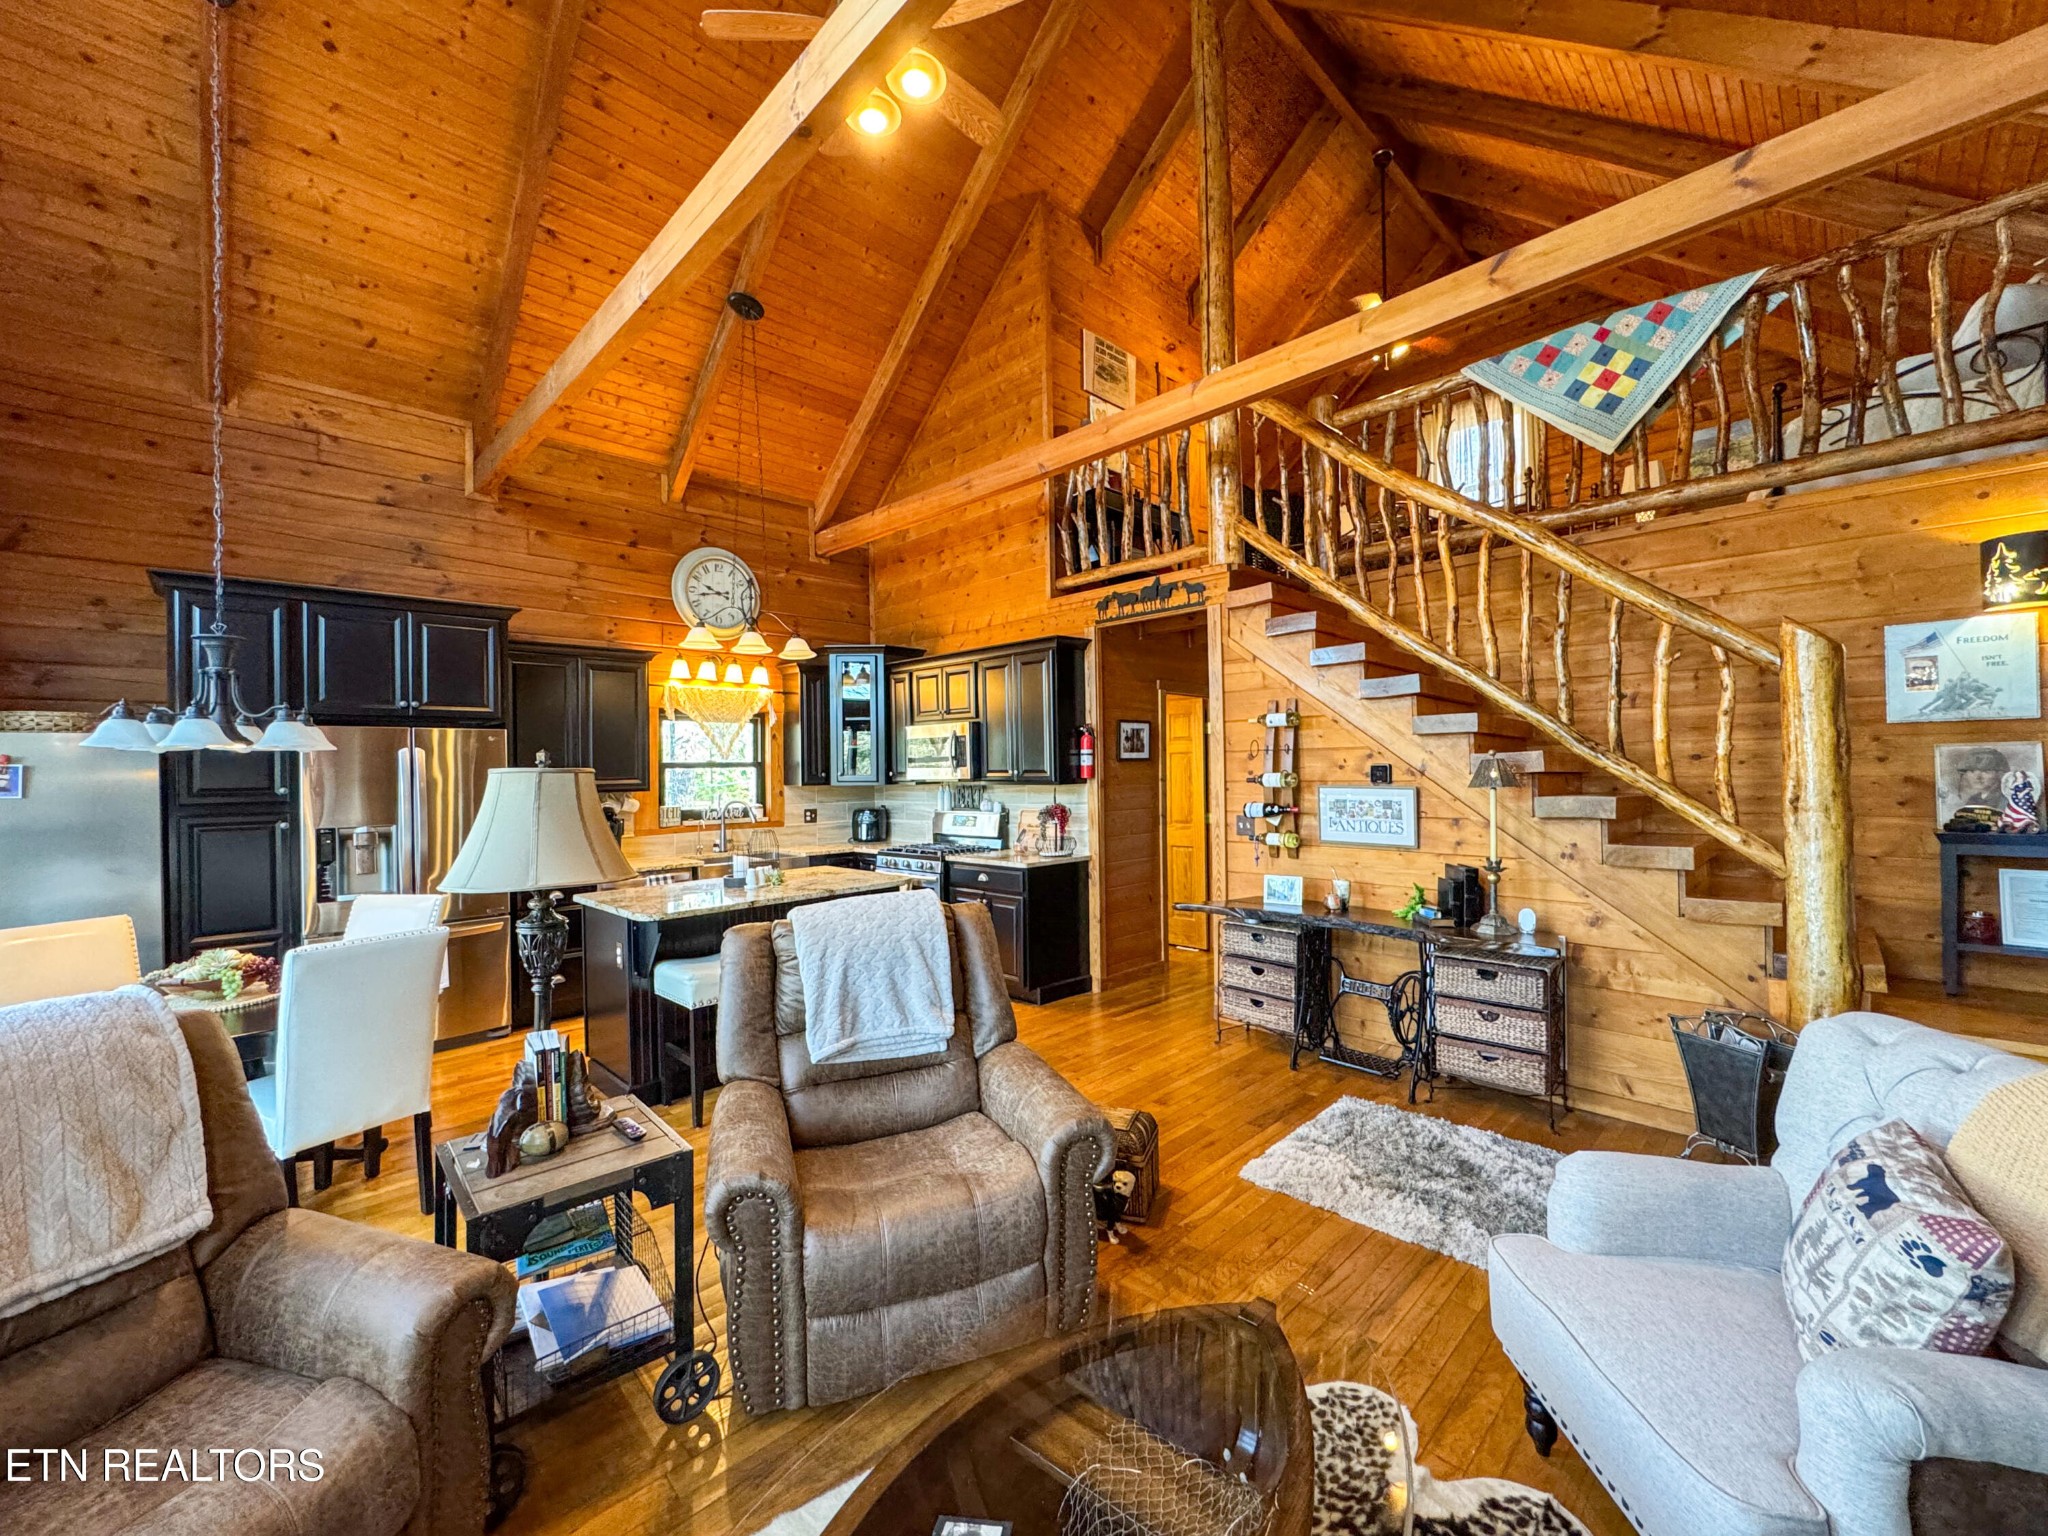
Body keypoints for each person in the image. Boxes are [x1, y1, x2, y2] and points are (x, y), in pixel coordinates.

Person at [1951, 745, 2011, 810]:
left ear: (2000, 774)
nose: (1977, 777)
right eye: (1972, 771)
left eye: (1985, 771)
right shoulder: (1973, 800)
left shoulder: (2007, 801)